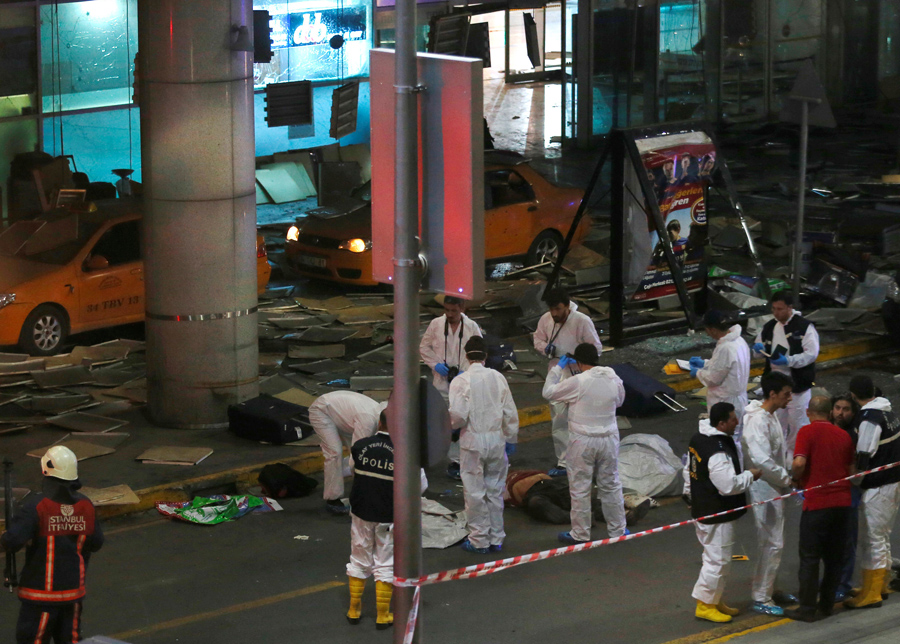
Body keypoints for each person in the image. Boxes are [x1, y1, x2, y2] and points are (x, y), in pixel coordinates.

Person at [0, 446, 104, 644]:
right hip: (73, 594)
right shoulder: (86, 506)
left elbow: (11, 541)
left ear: (46, 470)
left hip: (40, 598)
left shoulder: (37, 506)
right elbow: (96, 543)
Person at [542, 343, 627, 545]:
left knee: (580, 487)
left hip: (583, 440)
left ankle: (580, 534)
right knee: (611, 484)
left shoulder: (578, 381)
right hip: (608, 438)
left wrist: (557, 369)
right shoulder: (613, 377)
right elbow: (620, 401)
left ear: (578, 362)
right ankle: (618, 530)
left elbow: (548, 392)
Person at [684, 403, 760, 623]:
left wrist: (688, 495)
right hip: (717, 513)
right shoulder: (717, 450)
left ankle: (713, 599)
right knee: (717, 561)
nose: (737, 422)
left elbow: (688, 470)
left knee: (716, 559)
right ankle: (705, 605)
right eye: (733, 419)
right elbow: (728, 486)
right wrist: (751, 475)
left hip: (704, 510)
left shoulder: (699, 439)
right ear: (721, 423)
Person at [786, 396, 855, 622]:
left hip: (817, 505)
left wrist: (795, 479)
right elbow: (852, 470)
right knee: (835, 559)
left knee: (810, 558)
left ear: (808, 412)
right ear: (830, 412)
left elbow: (798, 463)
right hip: (843, 505)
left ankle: (807, 609)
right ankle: (827, 605)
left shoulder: (807, 432)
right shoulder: (844, 435)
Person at [449, 336, 519, 554]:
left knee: (474, 491)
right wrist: (510, 438)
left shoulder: (460, 381)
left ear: (466, 356)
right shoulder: (498, 378)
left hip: (473, 439)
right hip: (496, 439)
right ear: (486, 356)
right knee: (495, 489)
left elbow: (458, 416)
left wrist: (452, 428)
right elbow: (510, 412)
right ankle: (496, 537)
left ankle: (479, 540)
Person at [742, 371, 797, 615]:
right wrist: (786, 479)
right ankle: (761, 596)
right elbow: (761, 460)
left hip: (774, 484)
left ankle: (769, 587)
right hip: (765, 487)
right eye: (786, 394)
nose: (790, 399)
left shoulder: (770, 416)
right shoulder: (757, 421)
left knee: (774, 541)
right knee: (771, 542)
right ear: (772, 394)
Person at [534, 288, 603, 477]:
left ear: (567, 305)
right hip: (557, 372)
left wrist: (579, 358)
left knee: (583, 420)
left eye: (558, 309)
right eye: (551, 309)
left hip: (580, 375)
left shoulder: (582, 321)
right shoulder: (546, 319)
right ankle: (564, 462)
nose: (554, 313)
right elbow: (538, 339)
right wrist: (545, 348)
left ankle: (588, 459)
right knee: (559, 420)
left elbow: (596, 348)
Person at [844, 375, 900, 609]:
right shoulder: (888, 412)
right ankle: (880, 584)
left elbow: (864, 454)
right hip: (892, 483)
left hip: (878, 487)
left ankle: (872, 593)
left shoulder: (869, 419)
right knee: (882, 537)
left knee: (874, 539)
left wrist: (854, 480)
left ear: (854, 396)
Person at [419, 295, 483, 480]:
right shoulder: (436, 324)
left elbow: (479, 352)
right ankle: (432, 456)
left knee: (460, 422)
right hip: (441, 382)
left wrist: (468, 372)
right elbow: (424, 347)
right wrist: (435, 364)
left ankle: (456, 461)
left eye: (453, 311)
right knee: (439, 422)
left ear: (462, 308)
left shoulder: (471, 327)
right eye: (446, 310)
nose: (449, 314)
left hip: (463, 383)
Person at [753, 291, 820, 461]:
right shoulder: (769, 327)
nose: (776, 313)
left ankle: (797, 458)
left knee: (798, 424)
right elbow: (759, 352)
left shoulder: (804, 327)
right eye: (774, 309)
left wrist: (789, 361)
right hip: (775, 385)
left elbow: (811, 354)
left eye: (780, 309)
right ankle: (779, 457)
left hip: (797, 385)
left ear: (790, 308)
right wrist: (758, 350)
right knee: (776, 423)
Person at [346, 411, 395, 629]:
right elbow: (420, 485)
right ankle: (382, 616)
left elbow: (352, 469)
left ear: (380, 423)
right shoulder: (406, 452)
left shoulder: (360, 446)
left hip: (360, 511)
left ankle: (354, 609)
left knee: (358, 557)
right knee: (385, 562)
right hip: (388, 515)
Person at [307, 390, 387, 514]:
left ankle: (353, 485)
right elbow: (358, 456)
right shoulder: (368, 421)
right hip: (322, 411)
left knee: (361, 455)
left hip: (344, 416)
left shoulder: (380, 415)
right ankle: (332, 499)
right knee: (334, 453)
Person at [689, 310, 751, 462]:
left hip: (726, 402)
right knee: (734, 439)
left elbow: (713, 379)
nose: (708, 334)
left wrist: (697, 373)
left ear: (713, 329)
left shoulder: (725, 347)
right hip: (737, 399)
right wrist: (705, 363)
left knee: (726, 441)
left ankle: (731, 473)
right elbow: (724, 366)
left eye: (707, 330)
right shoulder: (738, 341)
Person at [505, 470, 652, 527]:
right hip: (533, 495)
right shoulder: (500, 486)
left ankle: (624, 516)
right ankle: (584, 519)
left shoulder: (516, 472)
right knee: (537, 504)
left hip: (552, 485)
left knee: (583, 499)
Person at [831, 394, 862, 601]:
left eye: (846, 409)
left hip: (848, 491)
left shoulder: (854, 436)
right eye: (837, 408)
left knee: (847, 540)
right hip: (827, 492)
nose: (840, 413)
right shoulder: (825, 430)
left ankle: (843, 583)